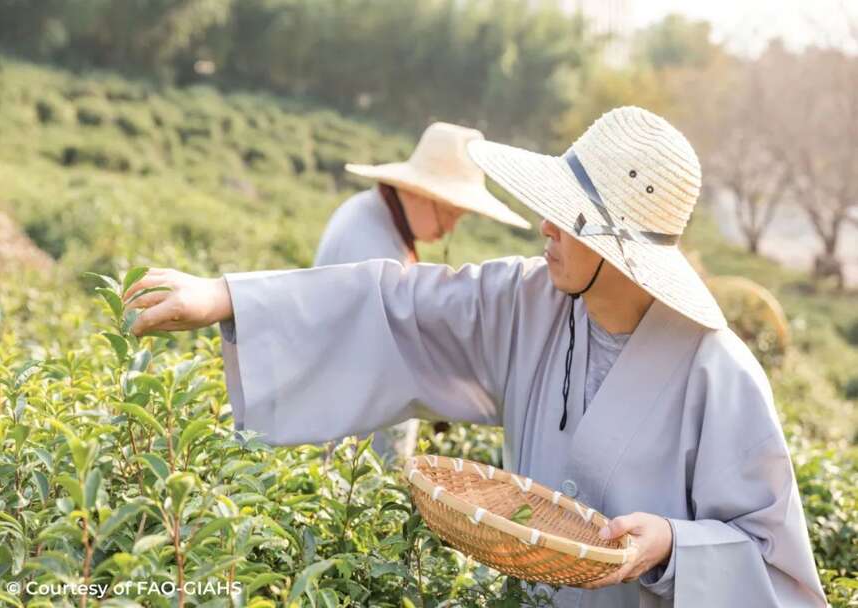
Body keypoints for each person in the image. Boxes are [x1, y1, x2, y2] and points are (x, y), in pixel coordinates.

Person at [124, 106, 826, 607]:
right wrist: (228, 298)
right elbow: (401, 304)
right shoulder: (530, 300)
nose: (544, 226)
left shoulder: (718, 373)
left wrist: (672, 546)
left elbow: (777, 572)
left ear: (619, 252)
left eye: (569, 219)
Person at [314, 121, 530, 461]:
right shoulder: (372, 245)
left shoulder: (371, 217)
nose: (449, 228)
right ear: (417, 192)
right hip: (350, 449)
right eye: (448, 212)